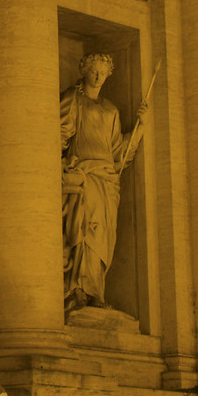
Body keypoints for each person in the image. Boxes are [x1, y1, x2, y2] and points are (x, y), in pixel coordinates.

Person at [59, 52, 149, 314]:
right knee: (83, 229)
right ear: (84, 71)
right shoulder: (73, 99)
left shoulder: (111, 110)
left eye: (102, 72)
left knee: (102, 236)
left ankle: (95, 289)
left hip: (107, 179)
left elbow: (119, 152)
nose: (97, 76)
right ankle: (76, 287)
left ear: (109, 75)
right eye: (93, 70)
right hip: (84, 175)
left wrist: (141, 126)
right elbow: (59, 135)